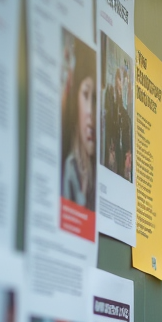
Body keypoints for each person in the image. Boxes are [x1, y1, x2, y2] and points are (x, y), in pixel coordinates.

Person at [62, 38, 96, 210]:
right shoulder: (68, 170)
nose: (92, 113)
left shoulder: (93, 176)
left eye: (96, 100)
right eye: (86, 95)